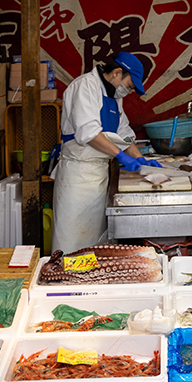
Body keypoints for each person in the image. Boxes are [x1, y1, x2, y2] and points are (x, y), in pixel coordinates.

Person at [52, 52, 162, 253]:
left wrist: (139, 157)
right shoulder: (85, 86)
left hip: (99, 177)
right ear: (117, 73)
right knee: (73, 244)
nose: (128, 92)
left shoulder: (113, 96)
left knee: (95, 247)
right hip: (77, 179)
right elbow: (89, 133)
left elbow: (124, 134)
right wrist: (120, 156)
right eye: (129, 86)